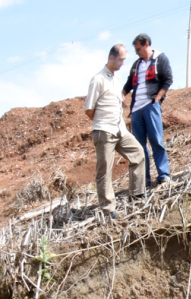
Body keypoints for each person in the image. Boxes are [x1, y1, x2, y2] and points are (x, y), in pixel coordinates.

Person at [84, 44, 145, 220]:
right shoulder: (98, 79)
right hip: (104, 130)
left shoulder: (116, 78)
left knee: (138, 153)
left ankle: (137, 194)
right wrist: (103, 120)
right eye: (121, 59)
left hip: (120, 129)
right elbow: (89, 109)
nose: (123, 63)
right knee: (105, 170)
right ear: (111, 57)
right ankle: (108, 209)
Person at [121, 34, 173, 187]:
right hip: (136, 110)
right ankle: (144, 180)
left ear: (146, 45)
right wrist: (123, 93)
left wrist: (157, 98)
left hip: (151, 105)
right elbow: (129, 83)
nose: (137, 52)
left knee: (156, 140)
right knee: (139, 146)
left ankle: (163, 175)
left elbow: (168, 79)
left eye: (138, 49)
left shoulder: (160, 58)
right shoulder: (136, 64)